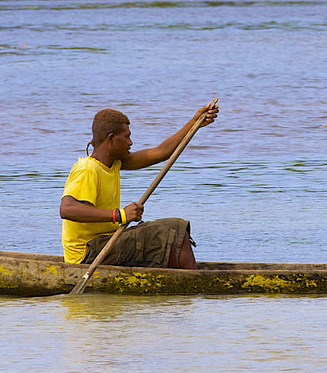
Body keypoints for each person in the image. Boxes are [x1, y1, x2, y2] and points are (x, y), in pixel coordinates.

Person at [59, 100, 219, 269]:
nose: (131, 142)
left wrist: (194, 123)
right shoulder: (87, 169)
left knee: (175, 227)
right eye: (127, 136)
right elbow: (67, 209)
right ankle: (193, 286)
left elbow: (160, 153)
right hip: (89, 254)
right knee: (167, 235)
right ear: (111, 139)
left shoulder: (114, 163)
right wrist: (120, 215)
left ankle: (185, 280)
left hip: (106, 242)